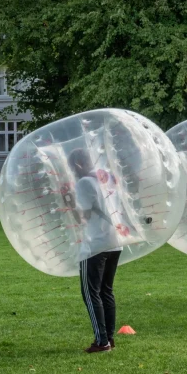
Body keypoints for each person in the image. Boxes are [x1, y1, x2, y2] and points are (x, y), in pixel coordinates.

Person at [68, 148, 127, 352]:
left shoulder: (85, 182)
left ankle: (101, 342)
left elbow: (82, 217)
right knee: (106, 290)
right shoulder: (107, 178)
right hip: (114, 241)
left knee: (90, 292)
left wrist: (68, 201)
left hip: (95, 244)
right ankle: (109, 338)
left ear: (77, 165)